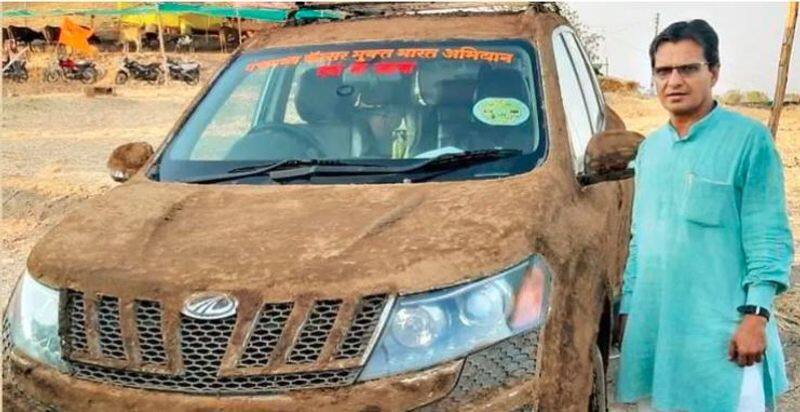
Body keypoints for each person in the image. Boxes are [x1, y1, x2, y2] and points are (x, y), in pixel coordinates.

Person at [615, 20, 794, 411]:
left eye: (688, 68)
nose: (674, 81)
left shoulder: (749, 142)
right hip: (657, 333)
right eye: (663, 71)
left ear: (713, 72)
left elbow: (768, 236)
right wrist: (629, 308)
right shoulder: (652, 151)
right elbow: (640, 241)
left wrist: (757, 316)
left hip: (724, 338)